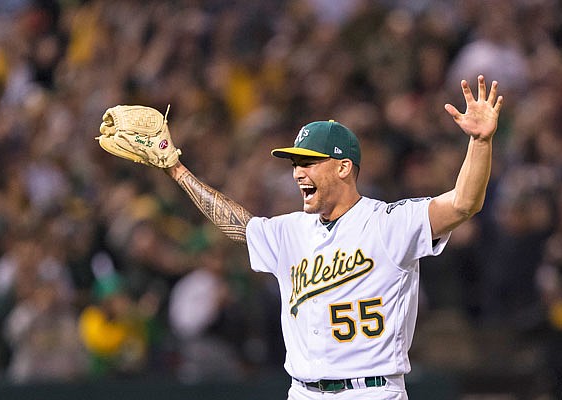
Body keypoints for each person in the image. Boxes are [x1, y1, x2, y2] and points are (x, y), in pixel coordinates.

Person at [104, 75, 503, 399]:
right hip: (303, 392)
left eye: (310, 162)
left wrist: (480, 142)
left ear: (344, 168)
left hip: (372, 392)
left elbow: (464, 203)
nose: (298, 172)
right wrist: (177, 169)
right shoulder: (289, 230)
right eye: (296, 163)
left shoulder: (389, 222)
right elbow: (236, 223)